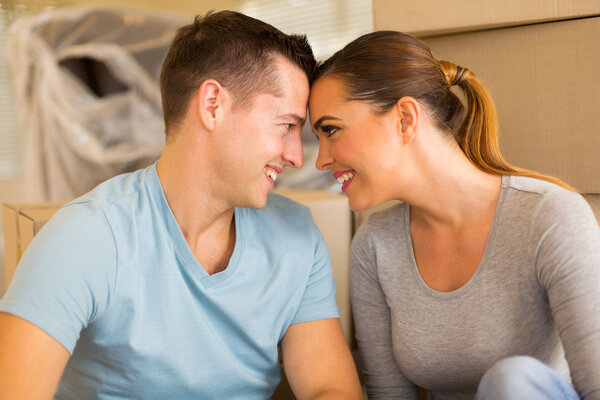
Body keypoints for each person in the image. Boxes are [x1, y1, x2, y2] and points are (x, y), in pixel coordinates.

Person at [0, 11, 363, 400]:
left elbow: (331, 388)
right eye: (286, 125)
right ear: (212, 105)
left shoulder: (297, 236)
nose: (296, 156)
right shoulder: (86, 237)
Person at [308, 30, 600, 400]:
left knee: (514, 382)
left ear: (405, 118)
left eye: (332, 130)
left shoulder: (548, 217)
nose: (320, 160)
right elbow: (389, 394)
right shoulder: (375, 245)